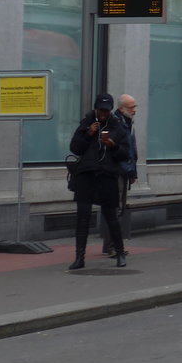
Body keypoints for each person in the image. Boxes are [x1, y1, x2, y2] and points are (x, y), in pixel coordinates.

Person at [68, 93, 131, 269]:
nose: (103, 113)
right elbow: (74, 148)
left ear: (110, 110)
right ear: (96, 108)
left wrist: (113, 145)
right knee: (83, 217)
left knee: (111, 216)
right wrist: (88, 133)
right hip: (86, 175)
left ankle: (120, 253)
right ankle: (79, 258)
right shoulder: (86, 123)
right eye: (101, 109)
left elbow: (125, 154)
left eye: (106, 110)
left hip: (107, 175)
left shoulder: (117, 127)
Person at [101, 93, 139, 257]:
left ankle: (111, 245)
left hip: (125, 170)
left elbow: (132, 149)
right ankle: (113, 246)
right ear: (121, 108)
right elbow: (116, 150)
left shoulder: (127, 122)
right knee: (115, 208)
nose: (135, 110)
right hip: (117, 170)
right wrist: (127, 168)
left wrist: (133, 171)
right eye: (132, 107)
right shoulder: (116, 123)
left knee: (119, 208)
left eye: (135, 106)